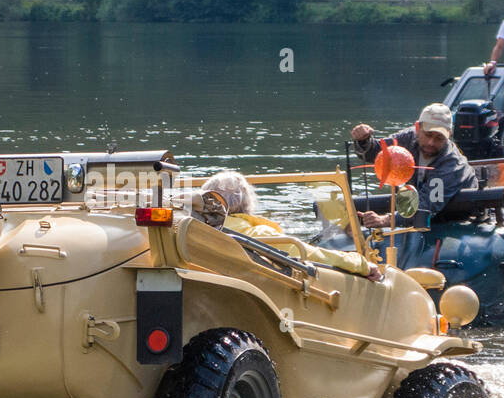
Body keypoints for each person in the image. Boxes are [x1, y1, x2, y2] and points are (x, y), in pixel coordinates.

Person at [196, 171, 383, 281]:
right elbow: (313, 255)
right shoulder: (257, 233)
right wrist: (362, 264)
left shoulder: (194, 229)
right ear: (246, 204)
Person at [348, 103, 478, 228]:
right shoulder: (408, 138)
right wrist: (363, 140)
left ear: (449, 135)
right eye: (428, 135)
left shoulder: (452, 165)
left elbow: (426, 206)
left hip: (450, 216)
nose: (431, 142)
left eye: (439, 138)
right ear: (417, 128)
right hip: (414, 199)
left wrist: (385, 220)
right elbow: (376, 153)